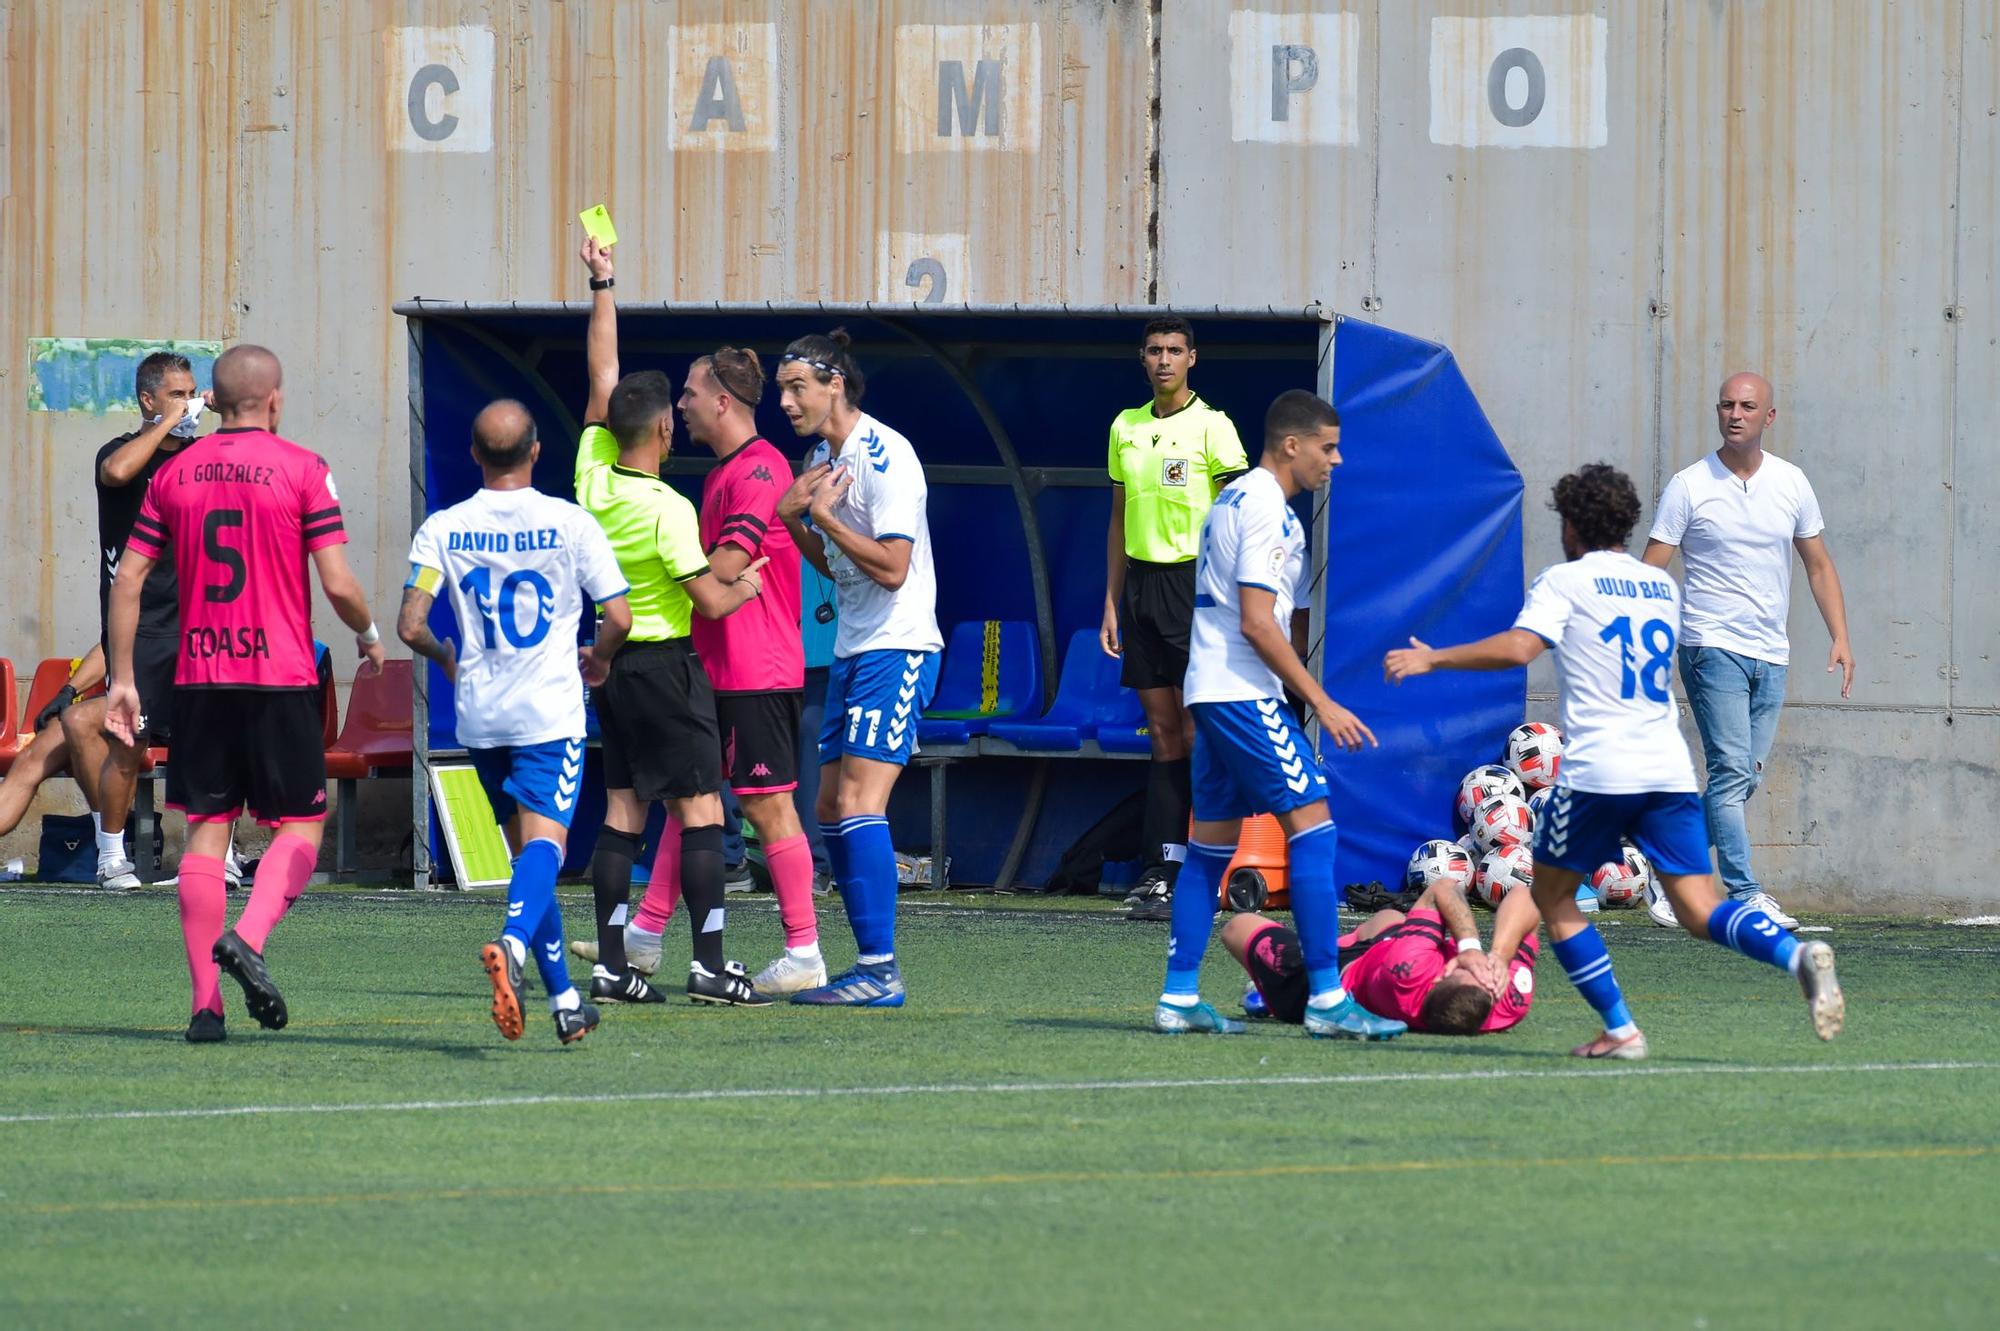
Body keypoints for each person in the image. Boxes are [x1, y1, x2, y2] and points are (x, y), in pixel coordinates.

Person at [1384, 464, 1843, 1059]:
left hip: (1599, 771)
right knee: (1702, 910)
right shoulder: (1661, 588)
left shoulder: (1565, 581)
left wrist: (1436, 659)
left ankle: (1622, 1028)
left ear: (1571, 524)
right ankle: (1795, 955)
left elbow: (1522, 647)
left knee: (1550, 896)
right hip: (1668, 769)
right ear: (1628, 525)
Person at [105, 344, 385, 1043]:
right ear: (275, 398)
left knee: (204, 832)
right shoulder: (302, 469)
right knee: (300, 825)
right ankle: (250, 937)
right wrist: (369, 632)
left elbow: (129, 579)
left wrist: (123, 679)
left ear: (214, 402)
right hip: (279, 675)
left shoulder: (173, 473)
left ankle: (206, 1007)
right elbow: (340, 583)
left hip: (198, 677)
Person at [1153, 388, 1403, 1040]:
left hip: (1209, 688)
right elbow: (1258, 623)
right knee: (1315, 829)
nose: (1337, 460)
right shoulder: (1264, 506)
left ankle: (1178, 996)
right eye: (1329, 447)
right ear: (1292, 444)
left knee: (1209, 850)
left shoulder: (1234, 498)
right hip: (1241, 691)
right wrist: (1320, 700)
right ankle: (1325, 996)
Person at [574, 235, 770, 1008]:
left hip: (615, 673)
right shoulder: (667, 508)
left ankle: (613, 965)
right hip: (665, 664)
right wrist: (752, 579)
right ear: (660, 432)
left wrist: (603, 284)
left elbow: (601, 378)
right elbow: (711, 600)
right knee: (701, 812)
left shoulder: (592, 476)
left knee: (622, 812)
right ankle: (712, 966)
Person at [399, 399, 631, 1046]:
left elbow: (410, 624)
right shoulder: (570, 522)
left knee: (530, 853)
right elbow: (619, 615)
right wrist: (601, 659)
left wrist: (446, 656)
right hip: (547, 713)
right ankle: (512, 946)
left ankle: (564, 1001)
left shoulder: (444, 526)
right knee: (546, 850)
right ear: (535, 451)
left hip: (480, 713)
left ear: (475, 455)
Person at [619, 343, 827, 996]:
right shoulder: (722, 472)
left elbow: (727, 568)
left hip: (756, 671)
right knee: (692, 805)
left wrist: (662, 566)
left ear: (722, 402)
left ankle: (804, 949)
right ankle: (645, 934)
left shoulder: (759, 470)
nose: (678, 404)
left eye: (688, 392)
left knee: (767, 807)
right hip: (718, 669)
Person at [1642, 373, 1853, 929]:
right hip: (1710, 646)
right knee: (1732, 769)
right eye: (1727, 405)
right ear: (1718, 412)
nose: (1736, 414)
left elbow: (1818, 563)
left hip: (1771, 653)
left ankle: (1668, 868)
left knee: (1743, 779)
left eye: (1748, 406)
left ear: (1769, 417)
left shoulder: (1791, 482)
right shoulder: (1688, 486)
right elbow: (1651, 568)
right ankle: (1743, 892)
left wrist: (1841, 636)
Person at [774, 328, 942, 1006]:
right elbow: (842, 571)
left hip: (897, 646)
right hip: (854, 646)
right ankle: (866, 962)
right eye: (782, 389)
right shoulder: (823, 457)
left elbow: (895, 568)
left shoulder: (885, 453)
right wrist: (795, 524)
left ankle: (880, 970)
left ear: (834, 383)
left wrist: (821, 516)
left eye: (796, 388)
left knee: (858, 803)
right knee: (827, 806)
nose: (785, 401)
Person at [62, 352, 241, 890]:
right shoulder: (119, 453)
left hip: (199, 621)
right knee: (128, 742)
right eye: (177, 393)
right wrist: (169, 422)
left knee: (212, 741)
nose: (189, 402)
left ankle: (216, 857)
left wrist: (224, 411)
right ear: (148, 399)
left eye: (192, 392)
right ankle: (112, 857)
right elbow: (116, 473)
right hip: (139, 624)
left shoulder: (201, 454)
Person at [1100, 318, 1248, 920]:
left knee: (1197, 732)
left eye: (1174, 351)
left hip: (1197, 587)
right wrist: (1111, 600)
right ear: (1142, 358)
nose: (1164, 360)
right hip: (1141, 588)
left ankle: (1205, 867)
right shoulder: (1125, 427)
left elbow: (1243, 517)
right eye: (1155, 351)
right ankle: (1159, 869)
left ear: (1192, 358)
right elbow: (1117, 518)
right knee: (1161, 735)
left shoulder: (1214, 427)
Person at [1223, 874, 1540, 1035]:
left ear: (1440, 975)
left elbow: (1443, 887)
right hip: (1382, 954)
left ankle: (1265, 990)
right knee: (1391, 920)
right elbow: (1530, 896)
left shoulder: (1407, 972)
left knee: (1237, 927)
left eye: (1471, 968)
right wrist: (1498, 955)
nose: (1481, 966)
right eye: (1486, 973)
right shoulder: (1508, 1001)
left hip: (1333, 983)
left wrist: (1468, 948)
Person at [0, 648, 106, 840]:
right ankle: (107, 844)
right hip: (115, 705)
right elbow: (109, 647)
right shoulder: (123, 619)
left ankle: (110, 848)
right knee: (32, 756)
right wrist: (68, 691)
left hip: (161, 705)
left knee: (79, 720)